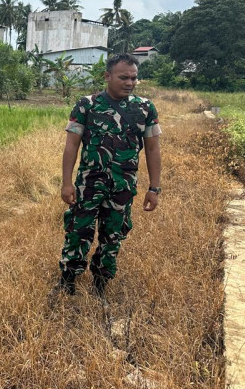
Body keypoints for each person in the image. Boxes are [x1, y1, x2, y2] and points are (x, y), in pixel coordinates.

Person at [52, 53, 162, 298]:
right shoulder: (87, 105)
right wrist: (67, 182)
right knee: (78, 231)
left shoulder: (144, 108)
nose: (130, 82)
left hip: (123, 186)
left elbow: (153, 149)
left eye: (134, 78)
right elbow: (71, 146)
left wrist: (154, 189)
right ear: (107, 76)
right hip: (88, 185)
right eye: (124, 77)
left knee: (113, 235)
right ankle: (68, 279)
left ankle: (101, 282)